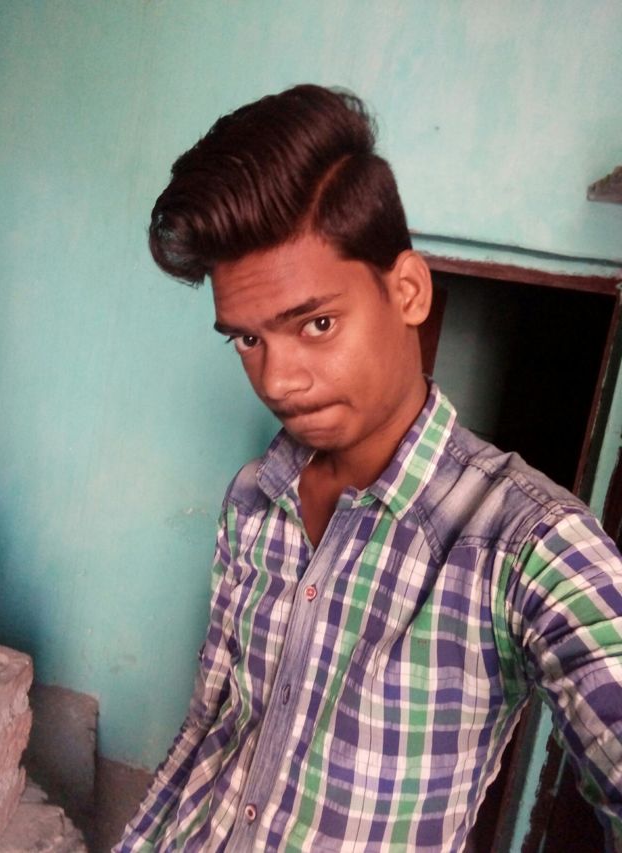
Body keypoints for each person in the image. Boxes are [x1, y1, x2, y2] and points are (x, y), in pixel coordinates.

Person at [116, 85, 622, 852]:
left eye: (316, 323)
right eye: (247, 339)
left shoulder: (526, 542)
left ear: (408, 291)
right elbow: (210, 726)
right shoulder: (255, 497)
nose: (278, 379)